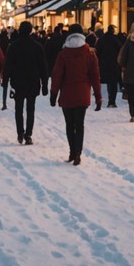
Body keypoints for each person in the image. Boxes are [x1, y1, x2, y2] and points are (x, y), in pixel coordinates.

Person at [50, 23, 101, 166]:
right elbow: (95, 77)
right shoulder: (90, 54)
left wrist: (53, 94)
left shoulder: (63, 54)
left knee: (69, 124)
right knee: (80, 124)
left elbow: (57, 76)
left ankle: (72, 151)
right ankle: (78, 152)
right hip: (83, 93)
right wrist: (98, 96)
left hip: (67, 94)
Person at [2, 21, 48, 145]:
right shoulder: (37, 46)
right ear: (30, 30)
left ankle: (20, 133)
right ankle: (28, 134)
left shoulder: (14, 46)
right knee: (30, 109)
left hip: (18, 81)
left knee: (18, 109)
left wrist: (5, 79)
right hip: (33, 81)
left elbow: (8, 65)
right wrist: (44, 84)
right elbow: (43, 66)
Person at [95, 25, 122, 107]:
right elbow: (120, 50)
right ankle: (112, 101)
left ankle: (109, 98)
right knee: (113, 82)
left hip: (104, 63)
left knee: (108, 82)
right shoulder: (116, 39)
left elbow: (98, 51)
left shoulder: (102, 39)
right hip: (114, 63)